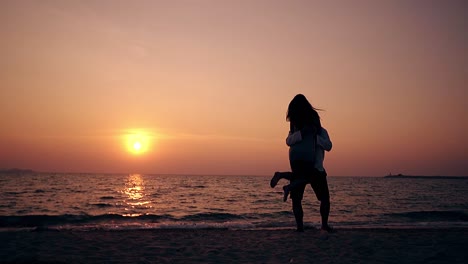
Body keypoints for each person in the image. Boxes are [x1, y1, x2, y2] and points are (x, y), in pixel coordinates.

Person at [271, 94, 333, 232]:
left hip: (317, 166)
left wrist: (315, 138)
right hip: (301, 162)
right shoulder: (296, 131)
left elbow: (329, 146)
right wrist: (302, 134)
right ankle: (300, 227)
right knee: (297, 197)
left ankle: (324, 225)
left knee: (323, 197)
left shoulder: (321, 132)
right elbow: (288, 141)